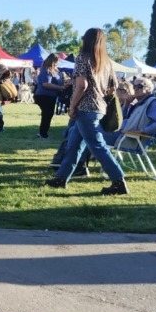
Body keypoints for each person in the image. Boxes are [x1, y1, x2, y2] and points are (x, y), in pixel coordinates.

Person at [46, 28, 128, 195]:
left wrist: (72, 105)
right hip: (99, 108)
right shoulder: (106, 62)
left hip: (85, 108)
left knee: (98, 146)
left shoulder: (83, 58)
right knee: (74, 145)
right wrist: (99, 94)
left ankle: (119, 181)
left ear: (87, 40)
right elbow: (113, 87)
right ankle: (61, 178)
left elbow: (82, 85)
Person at [34, 53, 67, 138]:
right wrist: (59, 87)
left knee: (48, 114)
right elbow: (46, 84)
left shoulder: (55, 70)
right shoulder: (46, 70)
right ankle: (43, 133)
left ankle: (43, 132)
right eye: (56, 62)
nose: (57, 64)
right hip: (44, 95)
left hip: (51, 96)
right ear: (52, 61)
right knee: (47, 114)